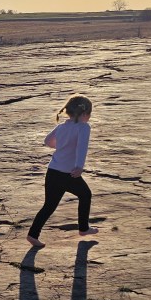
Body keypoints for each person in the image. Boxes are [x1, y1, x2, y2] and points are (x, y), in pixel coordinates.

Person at [27, 95, 98, 248]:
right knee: (85, 194)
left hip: (53, 171)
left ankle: (33, 235)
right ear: (84, 114)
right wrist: (79, 166)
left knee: (49, 206)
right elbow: (81, 148)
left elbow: (47, 141)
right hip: (69, 173)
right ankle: (84, 228)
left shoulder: (61, 127)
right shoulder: (84, 127)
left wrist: (62, 146)